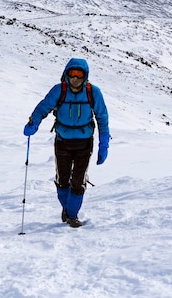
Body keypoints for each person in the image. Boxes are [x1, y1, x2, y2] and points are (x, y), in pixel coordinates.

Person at [23, 58, 110, 228]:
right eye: (72, 74)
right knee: (62, 180)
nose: (75, 79)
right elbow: (43, 107)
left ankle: (72, 215)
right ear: (66, 74)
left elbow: (102, 117)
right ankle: (67, 209)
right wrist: (34, 122)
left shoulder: (94, 92)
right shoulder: (59, 90)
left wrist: (104, 144)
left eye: (79, 75)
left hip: (85, 143)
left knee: (78, 181)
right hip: (62, 141)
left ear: (85, 76)